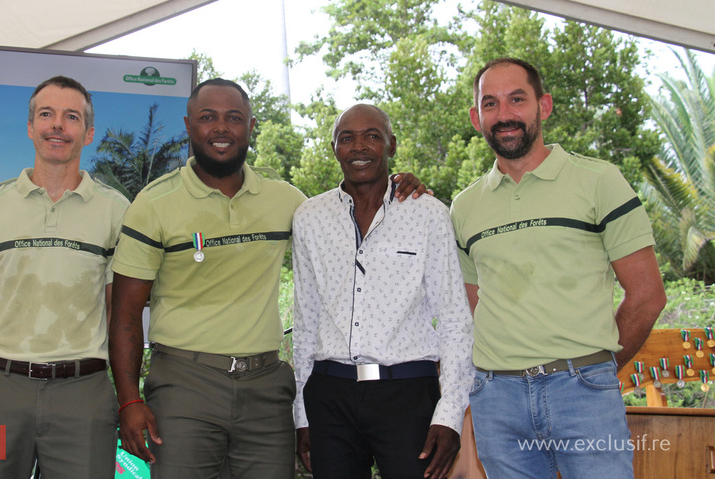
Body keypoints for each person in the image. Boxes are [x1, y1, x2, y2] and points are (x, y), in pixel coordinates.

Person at [109, 78, 425, 479]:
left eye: (234, 118)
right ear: (189, 125)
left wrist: (400, 187)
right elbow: (124, 314)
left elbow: (349, 209)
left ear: (251, 126)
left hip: (266, 389)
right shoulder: (152, 205)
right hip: (184, 387)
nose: (221, 128)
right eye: (208, 118)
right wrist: (128, 401)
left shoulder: (287, 200)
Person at [450, 57, 666, 478]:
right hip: (498, 401)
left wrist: (596, 369)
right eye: (490, 104)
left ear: (543, 106)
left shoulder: (599, 181)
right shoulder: (464, 207)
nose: (505, 114)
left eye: (517, 99)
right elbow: (474, 310)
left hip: (584, 393)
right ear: (477, 118)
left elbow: (648, 296)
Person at [0, 76, 129, 478]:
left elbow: (115, 311)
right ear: (31, 127)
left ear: (87, 134)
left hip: (82, 393)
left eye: (71, 117)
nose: (57, 126)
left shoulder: (116, 211)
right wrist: (12, 361)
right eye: (46, 114)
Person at [292, 104, 473, 479]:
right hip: (330, 394)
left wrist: (450, 414)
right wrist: (302, 414)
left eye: (372, 136)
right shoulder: (309, 217)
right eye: (347, 138)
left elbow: (455, 319)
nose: (359, 147)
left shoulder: (427, 214)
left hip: (408, 392)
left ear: (391, 144)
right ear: (334, 148)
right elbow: (305, 320)